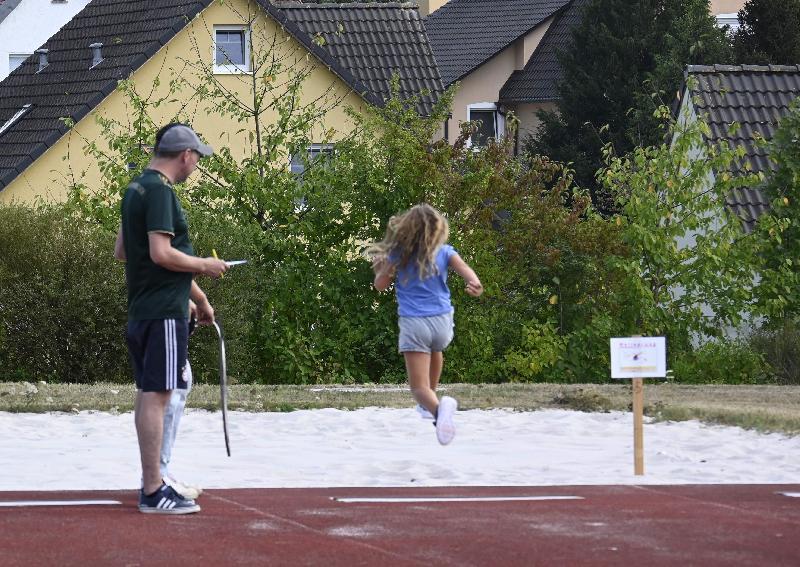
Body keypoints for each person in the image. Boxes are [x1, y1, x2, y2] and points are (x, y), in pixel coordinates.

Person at [114, 123, 228, 514]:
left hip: (148, 307)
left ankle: (154, 480)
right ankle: (152, 488)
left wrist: (194, 294)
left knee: (154, 391)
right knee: (159, 394)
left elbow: (127, 252)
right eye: (197, 157)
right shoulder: (162, 192)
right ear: (185, 156)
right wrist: (205, 266)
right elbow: (161, 254)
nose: (197, 165)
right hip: (162, 313)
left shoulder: (135, 189)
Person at [369, 203, 483, 445]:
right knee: (435, 349)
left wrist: (379, 269)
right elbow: (465, 270)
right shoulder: (445, 252)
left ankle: (439, 409)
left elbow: (380, 286)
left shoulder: (398, 255)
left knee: (417, 389)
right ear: (437, 229)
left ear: (406, 229)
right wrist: (475, 284)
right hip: (443, 323)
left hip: (415, 324)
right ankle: (429, 403)